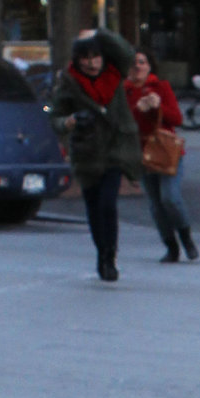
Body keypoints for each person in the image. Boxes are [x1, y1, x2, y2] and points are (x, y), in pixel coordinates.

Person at [50, 27, 141, 282]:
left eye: (96, 57)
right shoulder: (68, 82)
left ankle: (110, 257)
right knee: (93, 207)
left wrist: (99, 34)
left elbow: (126, 51)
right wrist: (68, 122)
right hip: (87, 151)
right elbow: (54, 116)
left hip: (114, 149)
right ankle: (101, 253)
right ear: (77, 61)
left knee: (107, 204)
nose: (92, 63)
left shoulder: (115, 72)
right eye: (85, 59)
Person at [124, 49, 199, 263]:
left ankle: (186, 238)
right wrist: (138, 109)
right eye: (133, 63)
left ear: (149, 66)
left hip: (166, 151)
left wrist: (158, 106)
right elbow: (122, 125)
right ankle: (171, 246)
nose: (137, 67)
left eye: (142, 62)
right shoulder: (124, 92)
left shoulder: (161, 87)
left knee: (170, 197)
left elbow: (177, 118)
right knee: (155, 204)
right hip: (142, 154)